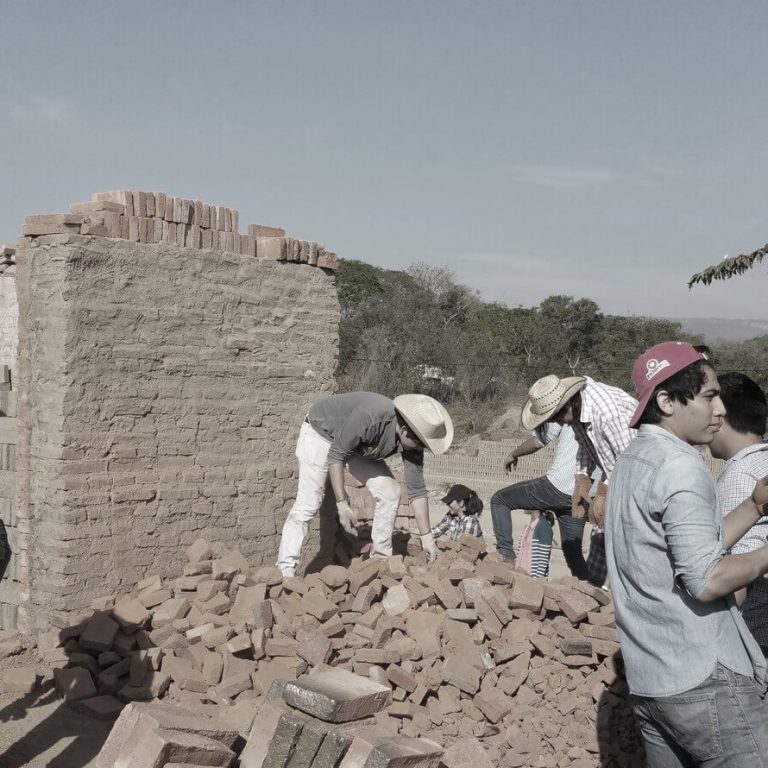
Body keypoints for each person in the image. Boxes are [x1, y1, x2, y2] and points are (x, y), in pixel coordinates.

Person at [605, 342, 768, 766]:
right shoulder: (681, 466)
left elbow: (690, 551)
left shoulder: (633, 460)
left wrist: (754, 506)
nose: (720, 410)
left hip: (652, 680)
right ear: (667, 401)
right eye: (710, 396)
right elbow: (709, 578)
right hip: (705, 679)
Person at [276, 392, 453, 577]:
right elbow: (336, 455)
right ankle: (285, 571)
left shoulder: (412, 441)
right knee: (309, 503)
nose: (419, 449)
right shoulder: (371, 417)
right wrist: (341, 503)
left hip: (354, 444)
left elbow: (417, 490)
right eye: (419, 444)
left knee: (390, 491)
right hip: (322, 433)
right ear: (404, 430)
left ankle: (381, 559)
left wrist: (427, 537)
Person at [521, 373, 637, 585]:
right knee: (600, 536)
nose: (555, 423)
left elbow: (630, 462)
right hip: (616, 477)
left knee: (629, 549)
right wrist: (582, 480)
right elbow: (585, 446)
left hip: (640, 483)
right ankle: (592, 599)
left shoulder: (608, 414)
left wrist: (604, 492)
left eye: (555, 417)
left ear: (566, 405)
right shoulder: (578, 412)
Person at [709, 372, 768, 657]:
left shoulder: (741, 475)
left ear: (721, 417)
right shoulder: (763, 462)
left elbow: (738, 566)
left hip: (755, 620)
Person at [490, 422, 591, 580]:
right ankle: (589, 593)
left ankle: (506, 555)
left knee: (500, 500)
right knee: (573, 553)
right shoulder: (606, 414)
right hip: (580, 496)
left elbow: (538, 441)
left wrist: (514, 454)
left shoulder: (567, 409)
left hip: (557, 485)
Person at [515, 509, 555, 579]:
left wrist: (535, 582)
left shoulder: (544, 527)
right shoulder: (528, 525)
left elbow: (543, 559)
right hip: (519, 575)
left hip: (531, 579)